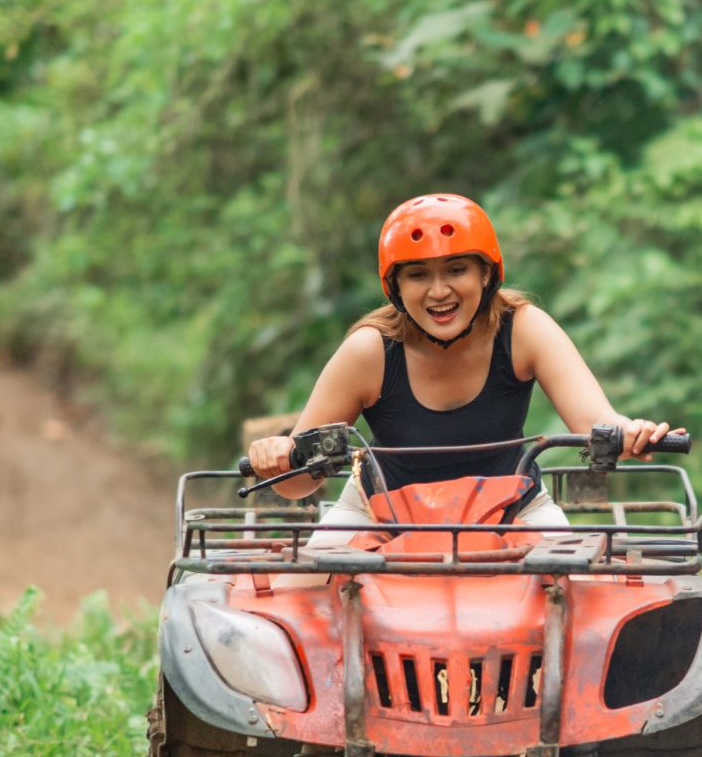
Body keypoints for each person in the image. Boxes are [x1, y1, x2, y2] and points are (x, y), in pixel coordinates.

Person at [248, 193, 670, 526]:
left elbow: (594, 421)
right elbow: (298, 482)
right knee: (314, 602)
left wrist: (629, 432)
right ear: (394, 286)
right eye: (417, 275)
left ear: (486, 274)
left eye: (456, 270)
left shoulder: (523, 329)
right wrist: (278, 457)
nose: (438, 291)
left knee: (573, 592)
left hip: (512, 510)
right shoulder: (370, 350)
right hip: (378, 513)